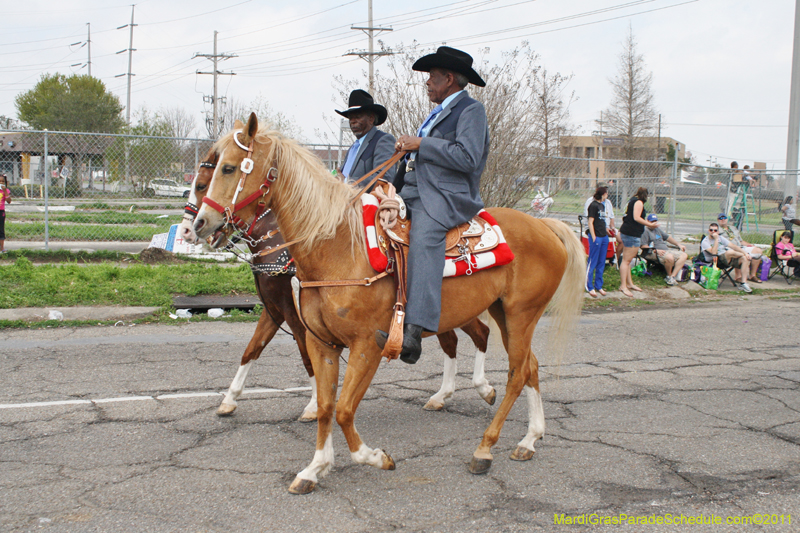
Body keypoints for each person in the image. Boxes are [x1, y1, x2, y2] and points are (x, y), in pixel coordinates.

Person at [377, 46, 489, 364]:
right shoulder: (438, 113)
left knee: (424, 238)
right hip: (413, 190)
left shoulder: (470, 111)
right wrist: (390, 192)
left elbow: (468, 157)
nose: (427, 82)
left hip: (445, 196)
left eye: (432, 77)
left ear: (448, 79)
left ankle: (413, 332)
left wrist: (422, 143)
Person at [335, 89, 396, 188]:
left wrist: (347, 184)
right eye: (350, 118)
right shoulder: (353, 148)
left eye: (357, 117)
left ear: (371, 118)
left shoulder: (383, 140)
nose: (353, 121)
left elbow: (384, 178)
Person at [618, 187, 658, 298]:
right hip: (632, 233)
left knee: (628, 260)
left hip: (628, 231)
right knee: (626, 261)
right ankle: (623, 286)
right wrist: (649, 224)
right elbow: (636, 217)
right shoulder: (639, 202)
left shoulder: (632, 200)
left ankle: (630, 283)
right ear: (645, 195)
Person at [700, 222, 752, 293]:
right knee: (730, 252)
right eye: (711, 230)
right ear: (708, 231)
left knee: (745, 259)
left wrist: (745, 253)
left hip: (727, 258)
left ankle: (744, 283)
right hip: (716, 261)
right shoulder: (705, 241)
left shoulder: (721, 238)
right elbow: (714, 253)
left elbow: (733, 246)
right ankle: (744, 254)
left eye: (715, 230)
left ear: (718, 231)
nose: (713, 232)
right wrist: (716, 240)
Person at [640, 214, 687, 286]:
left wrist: (678, 244)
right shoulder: (645, 231)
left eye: (655, 221)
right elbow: (643, 246)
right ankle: (668, 275)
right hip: (653, 252)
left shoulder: (657, 229)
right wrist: (656, 250)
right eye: (652, 221)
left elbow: (668, 238)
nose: (654, 223)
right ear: (647, 221)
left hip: (666, 250)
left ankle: (672, 277)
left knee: (683, 255)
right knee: (669, 257)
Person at [717, 213, 763, 283]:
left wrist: (751, 245)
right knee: (740, 253)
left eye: (724, 218)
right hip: (728, 249)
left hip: (740, 246)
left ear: (727, 219)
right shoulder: (716, 229)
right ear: (718, 220)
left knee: (758, 251)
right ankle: (738, 276)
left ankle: (752, 275)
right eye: (721, 218)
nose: (723, 220)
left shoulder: (733, 228)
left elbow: (740, 241)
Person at [583, 181, 621, 260]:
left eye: (606, 190)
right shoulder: (591, 202)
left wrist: (612, 227)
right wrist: (603, 229)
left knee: (621, 238)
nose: (606, 192)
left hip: (605, 228)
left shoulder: (608, 202)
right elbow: (590, 220)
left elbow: (611, 216)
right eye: (604, 190)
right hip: (594, 228)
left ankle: (615, 259)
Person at [585, 186, 609, 297]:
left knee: (601, 262)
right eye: (606, 193)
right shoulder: (593, 205)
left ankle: (598, 285)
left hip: (604, 236)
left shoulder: (602, 206)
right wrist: (593, 236)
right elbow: (591, 222)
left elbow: (602, 220)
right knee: (593, 261)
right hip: (596, 237)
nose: (607, 195)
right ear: (603, 194)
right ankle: (589, 286)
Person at [0, 174, 10, 253]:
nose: (1, 183)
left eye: (2, 181)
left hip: (1, 212)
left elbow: (9, 201)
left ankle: (2, 248)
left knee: (1, 230)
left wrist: (5, 192)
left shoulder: (5, 190)